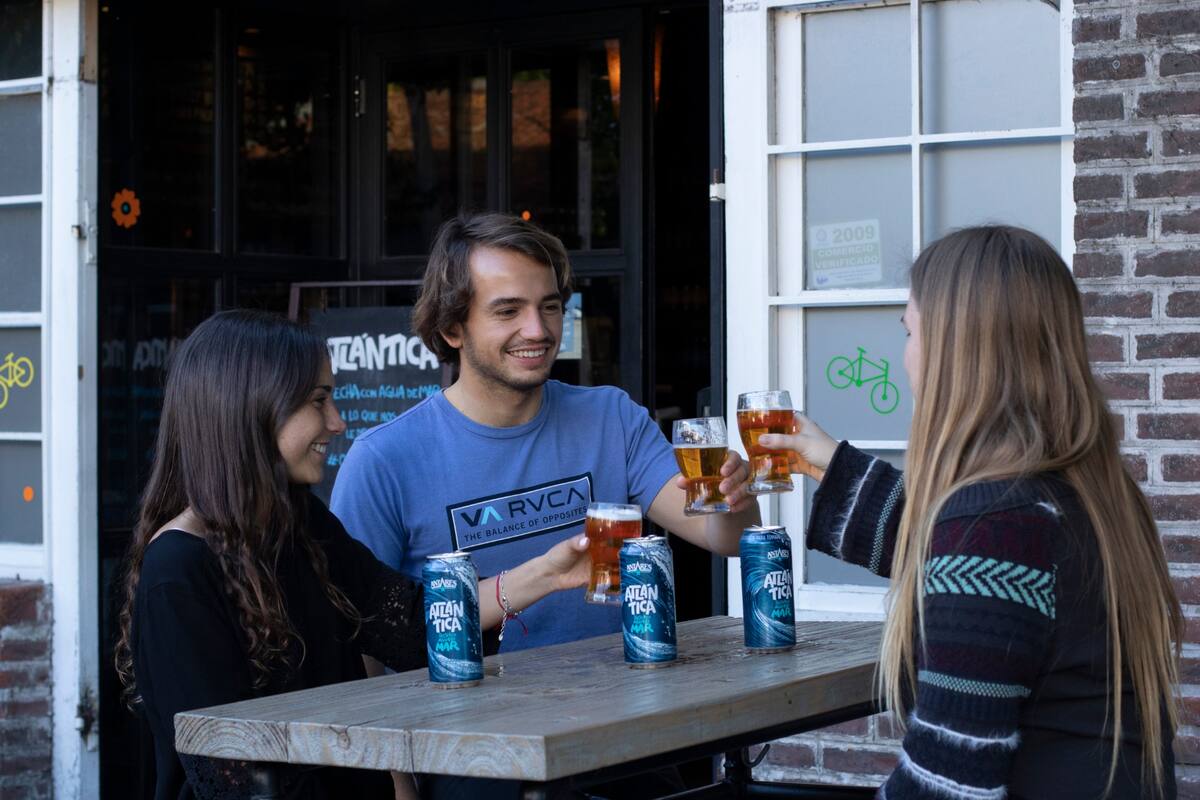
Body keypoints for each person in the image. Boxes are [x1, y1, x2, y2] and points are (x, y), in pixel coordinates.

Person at [754, 226, 1182, 799]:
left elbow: (945, 783)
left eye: (910, 332)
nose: (905, 357)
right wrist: (830, 466)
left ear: (955, 350)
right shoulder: (1087, 492)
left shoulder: (997, 523)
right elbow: (963, 560)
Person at [114, 310, 594, 800]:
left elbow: (412, 625)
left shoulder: (297, 523)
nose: (337, 422)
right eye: (318, 400)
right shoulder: (178, 568)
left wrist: (547, 574)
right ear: (248, 409)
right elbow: (229, 775)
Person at [332, 212, 759, 655]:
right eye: (508, 310)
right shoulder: (382, 460)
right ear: (452, 328)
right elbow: (358, 632)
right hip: (469, 717)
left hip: (618, 703)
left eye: (550, 306)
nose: (538, 330)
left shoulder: (610, 415)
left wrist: (735, 497)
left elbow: (723, 538)